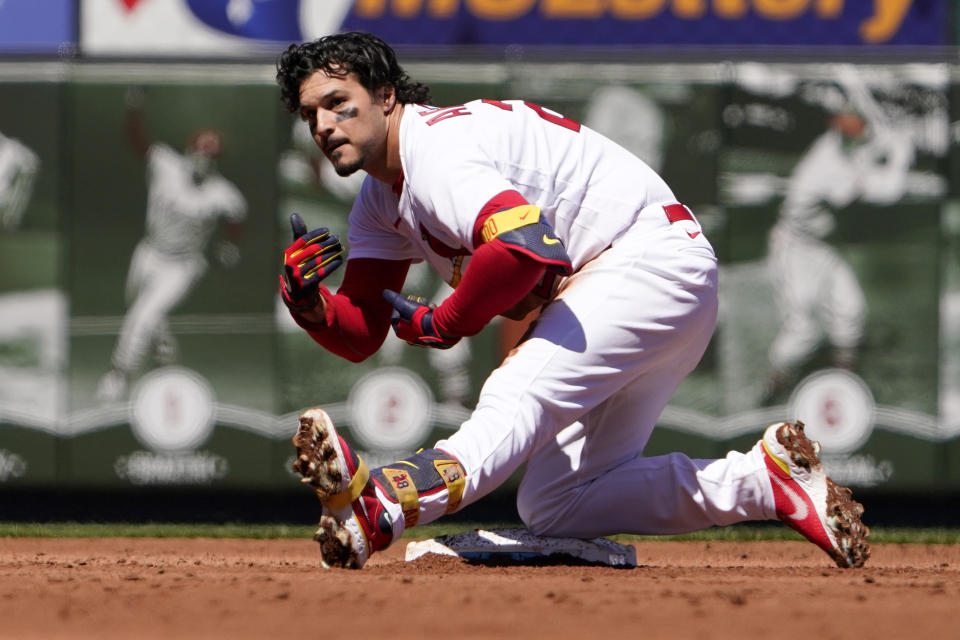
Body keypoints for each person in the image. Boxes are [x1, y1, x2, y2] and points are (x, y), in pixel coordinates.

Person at [275, 32, 869, 569]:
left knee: (514, 394)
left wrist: (445, 319)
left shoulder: (435, 151)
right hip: (653, 279)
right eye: (310, 115)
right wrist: (309, 303)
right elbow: (360, 333)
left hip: (643, 260)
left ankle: (381, 507)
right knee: (559, 502)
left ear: (385, 95)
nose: (323, 125)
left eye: (337, 102)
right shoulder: (382, 199)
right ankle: (765, 483)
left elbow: (525, 248)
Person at [763, 72, 914, 402]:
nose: (857, 127)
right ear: (837, 125)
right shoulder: (827, 163)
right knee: (802, 330)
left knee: (850, 308)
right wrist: (901, 157)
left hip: (824, 246)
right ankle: (773, 387)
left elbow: (870, 125)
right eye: (847, 121)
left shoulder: (845, 141)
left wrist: (870, 109)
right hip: (795, 248)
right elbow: (888, 192)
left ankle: (847, 385)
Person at [96, 88, 248, 402]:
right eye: (200, 152)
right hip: (148, 252)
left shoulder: (222, 192)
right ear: (189, 150)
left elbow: (238, 216)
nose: (203, 161)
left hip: (182, 265)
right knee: (140, 309)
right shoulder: (166, 163)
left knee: (141, 317)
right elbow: (136, 140)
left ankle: (118, 376)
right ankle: (165, 349)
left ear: (217, 161)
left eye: (211, 157)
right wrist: (134, 110)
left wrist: (229, 245)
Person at [0, 130, 39, 231]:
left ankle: (12, 218)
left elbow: (32, 163)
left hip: (5, 199)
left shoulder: (12, 149)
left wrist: (14, 211)